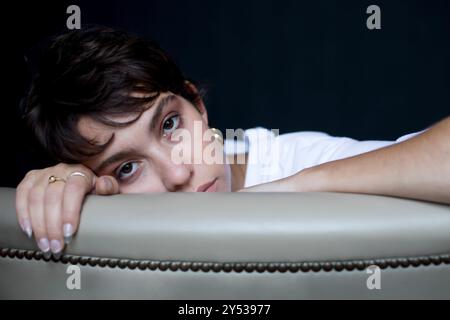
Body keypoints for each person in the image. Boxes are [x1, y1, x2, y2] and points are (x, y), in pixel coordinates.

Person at [16, 26, 450, 258]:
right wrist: (72, 190)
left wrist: (291, 189)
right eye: (126, 168)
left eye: (169, 124)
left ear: (197, 107)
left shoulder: (293, 159)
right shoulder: (99, 202)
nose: (179, 172)